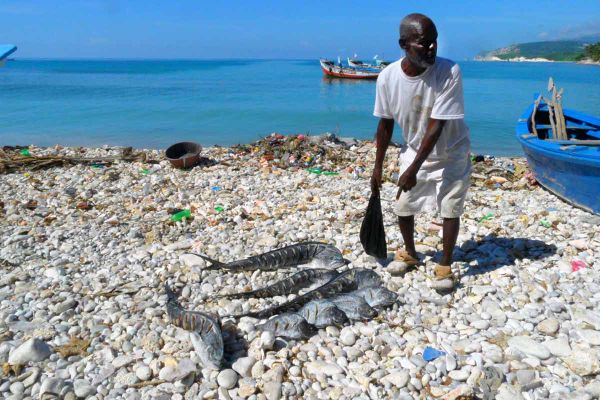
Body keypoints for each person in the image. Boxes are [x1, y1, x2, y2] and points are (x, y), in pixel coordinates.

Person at [370, 13, 471, 292]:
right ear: (404, 44)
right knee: (404, 204)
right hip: (414, 149)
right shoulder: (387, 77)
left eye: (434, 43)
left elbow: (436, 125)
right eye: (423, 44)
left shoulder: (449, 72)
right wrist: (377, 167)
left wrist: (412, 169)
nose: (431, 49)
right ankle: (411, 253)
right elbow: (385, 123)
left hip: (451, 150)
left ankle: (445, 264)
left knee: (450, 207)